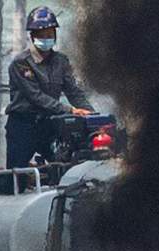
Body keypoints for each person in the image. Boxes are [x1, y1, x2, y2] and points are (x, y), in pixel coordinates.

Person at [5, 6, 94, 169]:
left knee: (65, 167)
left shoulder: (61, 61)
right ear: (32, 36)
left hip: (51, 125)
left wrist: (92, 115)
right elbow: (36, 97)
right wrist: (71, 110)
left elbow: (73, 91)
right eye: (42, 35)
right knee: (16, 176)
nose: (47, 38)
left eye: (50, 34)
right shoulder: (21, 63)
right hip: (23, 125)